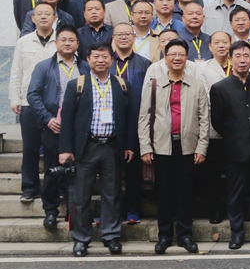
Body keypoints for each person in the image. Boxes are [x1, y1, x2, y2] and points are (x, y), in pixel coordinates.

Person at [58, 41, 130, 257]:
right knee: (80, 195)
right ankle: (81, 239)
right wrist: (66, 149)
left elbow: (130, 118)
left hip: (112, 146)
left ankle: (111, 235)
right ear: (88, 59)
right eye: (96, 57)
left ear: (111, 59)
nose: (100, 60)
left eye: (104, 56)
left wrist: (129, 146)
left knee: (112, 194)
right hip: (85, 147)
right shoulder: (77, 85)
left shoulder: (122, 85)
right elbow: (67, 120)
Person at [139, 39, 210, 255]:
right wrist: (145, 146)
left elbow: (204, 118)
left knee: (185, 193)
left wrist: (201, 147)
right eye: (172, 54)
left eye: (181, 54)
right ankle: (164, 236)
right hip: (161, 147)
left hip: (188, 147)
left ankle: (185, 235)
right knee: (164, 193)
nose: (177, 58)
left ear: (187, 58)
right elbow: (144, 117)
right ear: (165, 58)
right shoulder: (155, 84)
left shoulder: (196, 85)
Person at [210, 41, 250, 250]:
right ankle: (237, 234)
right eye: (238, 56)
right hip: (234, 150)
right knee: (235, 195)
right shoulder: (220, 88)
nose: (242, 60)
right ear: (231, 59)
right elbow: (217, 121)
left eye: (246, 56)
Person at [27, 25, 89, 228]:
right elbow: (33, 95)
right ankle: (51, 211)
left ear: (77, 44)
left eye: (71, 40)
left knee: (79, 170)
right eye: (63, 40)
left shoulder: (85, 67)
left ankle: (75, 211)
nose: (67, 43)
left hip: (79, 128)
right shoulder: (44, 67)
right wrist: (47, 118)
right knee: (52, 170)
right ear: (56, 43)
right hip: (54, 126)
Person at [10, 2, 58, 202]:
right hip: (29, 102)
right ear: (33, 18)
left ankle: (53, 188)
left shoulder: (61, 40)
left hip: (54, 103)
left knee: (52, 149)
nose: (44, 17)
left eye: (48, 13)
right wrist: (15, 98)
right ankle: (30, 187)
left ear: (55, 18)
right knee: (30, 147)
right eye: (40, 14)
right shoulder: (24, 42)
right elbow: (16, 71)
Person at [109, 22, 150, 224]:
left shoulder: (144, 64)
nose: (124, 37)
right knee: (111, 171)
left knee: (133, 170)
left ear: (134, 38)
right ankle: (111, 211)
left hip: (136, 119)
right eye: (119, 34)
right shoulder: (106, 61)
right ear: (113, 38)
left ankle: (133, 209)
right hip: (109, 122)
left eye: (128, 34)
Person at [196, 30, 234, 224]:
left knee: (235, 172)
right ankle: (216, 210)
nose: (221, 45)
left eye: (225, 42)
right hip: (213, 128)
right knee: (214, 174)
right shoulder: (202, 68)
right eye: (217, 42)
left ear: (230, 44)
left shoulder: (238, 63)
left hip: (236, 129)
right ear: (210, 47)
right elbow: (205, 98)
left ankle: (235, 209)